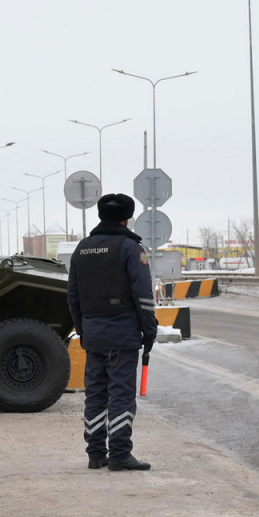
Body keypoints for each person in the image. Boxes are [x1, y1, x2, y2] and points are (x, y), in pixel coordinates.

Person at [66, 193, 158, 471]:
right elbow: (142, 294)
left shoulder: (81, 249)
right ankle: (119, 454)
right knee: (120, 396)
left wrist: (83, 330)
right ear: (126, 218)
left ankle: (95, 454)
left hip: (93, 335)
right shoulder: (130, 248)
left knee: (95, 396)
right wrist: (149, 329)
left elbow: (73, 296)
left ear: (100, 215)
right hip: (122, 335)